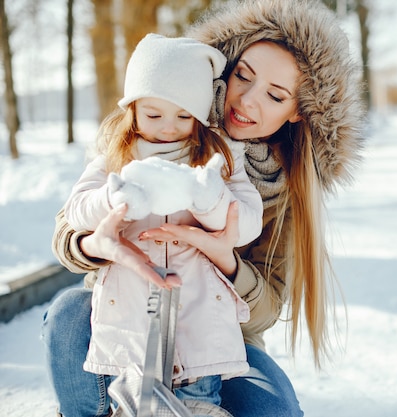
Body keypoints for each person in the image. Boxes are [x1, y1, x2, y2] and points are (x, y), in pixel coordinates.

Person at [42, 1, 365, 416]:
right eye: (242, 76)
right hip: (128, 318)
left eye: (274, 94)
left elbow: (264, 311)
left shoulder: (284, 187)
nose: (247, 100)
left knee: (273, 410)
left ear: (299, 111)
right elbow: (69, 225)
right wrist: (97, 244)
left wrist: (224, 260)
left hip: (218, 340)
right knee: (68, 312)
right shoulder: (159, 121)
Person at [62, 32, 264, 410]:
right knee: (138, 398)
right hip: (132, 305)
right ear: (134, 108)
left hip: (199, 309)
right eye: (154, 114)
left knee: (198, 399)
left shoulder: (217, 158)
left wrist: (210, 199)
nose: (169, 127)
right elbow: (76, 209)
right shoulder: (116, 157)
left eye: (184, 115)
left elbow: (247, 223)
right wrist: (115, 199)